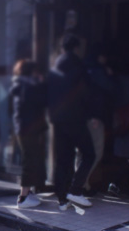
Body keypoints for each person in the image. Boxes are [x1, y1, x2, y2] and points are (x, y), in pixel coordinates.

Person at [48, 33, 95, 210]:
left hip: (58, 120)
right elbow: (87, 93)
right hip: (76, 118)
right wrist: (91, 113)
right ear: (76, 48)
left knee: (63, 159)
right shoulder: (80, 67)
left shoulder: (54, 69)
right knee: (89, 153)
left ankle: (62, 199)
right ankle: (76, 189)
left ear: (62, 48)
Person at [10, 59, 48, 209]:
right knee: (29, 160)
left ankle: (27, 193)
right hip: (29, 128)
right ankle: (23, 196)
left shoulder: (19, 84)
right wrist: (42, 84)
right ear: (32, 72)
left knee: (30, 158)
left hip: (22, 127)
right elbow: (40, 102)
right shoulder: (29, 86)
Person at [84, 46, 116, 194]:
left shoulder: (85, 70)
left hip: (84, 117)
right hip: (95, 118)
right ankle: (80, 185)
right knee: (95, 152)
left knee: (83, 152)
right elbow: (109, 90)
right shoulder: (99, 73)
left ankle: (81, 184)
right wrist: (109, 75)